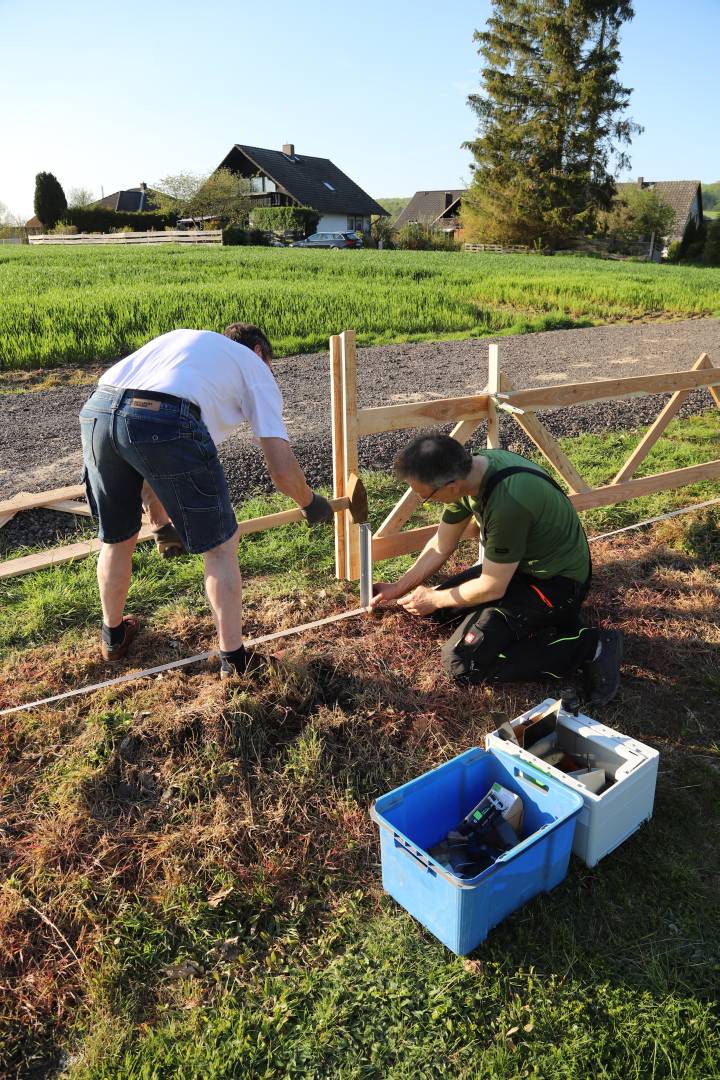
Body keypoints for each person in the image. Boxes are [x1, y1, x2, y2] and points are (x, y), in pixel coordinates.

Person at [79, 323, 333, 675]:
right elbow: (282, 470)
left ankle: (113, 637)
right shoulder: (252, 365)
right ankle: (235, 661)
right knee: (220, 547)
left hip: (98, 411)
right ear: (260, 351)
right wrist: (310, 502)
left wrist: (162, 520)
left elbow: (138, 421)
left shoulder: (186, 349)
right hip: (163, 417)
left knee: (117, 538)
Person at [370, 434, 623, 706]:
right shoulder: (472, 469)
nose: (425, 501)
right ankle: (541, 624)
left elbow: (492, 585)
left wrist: (432, 598)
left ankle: (591, 646)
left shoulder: (508, 504)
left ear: (451, 486)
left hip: (556, 586)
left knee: (463, 664)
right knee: (440, 611)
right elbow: (442, 545)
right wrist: (399, 587)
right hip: (517, 570)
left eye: (425, 496)